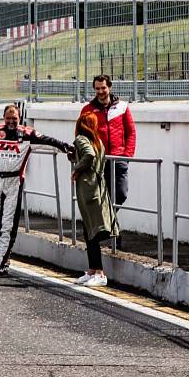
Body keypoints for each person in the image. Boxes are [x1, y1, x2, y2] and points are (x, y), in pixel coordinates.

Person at [0, 104, 73, 275]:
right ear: (3, 118)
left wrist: (67, 147)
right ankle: (2, 257)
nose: (11, 121)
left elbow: (49, 141)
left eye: (14, 119)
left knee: (8, 224)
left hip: (14, 181)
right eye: (8, 118)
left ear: (20, 118)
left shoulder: (27, 134)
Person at [79, 75, 136, 246]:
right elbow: (82, 134)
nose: (100, 92)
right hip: (98, 160)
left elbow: (131, 132)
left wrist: (127, 155)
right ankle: (113, 231)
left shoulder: (123, 107)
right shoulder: (87, 109)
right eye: (97, 88)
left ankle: (110, 224)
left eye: (103, 88)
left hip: (118, 158)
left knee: (120, 194)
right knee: (100, 198)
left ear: (109, 87)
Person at [72, 111, 119, 287]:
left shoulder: (82, 139)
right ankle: (92, 270)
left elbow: (89, 155)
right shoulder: (98, 141)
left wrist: (77, 169)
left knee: (90, 231)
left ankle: (98, 272)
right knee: (89, 229)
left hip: (88, 188)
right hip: (98, 187)